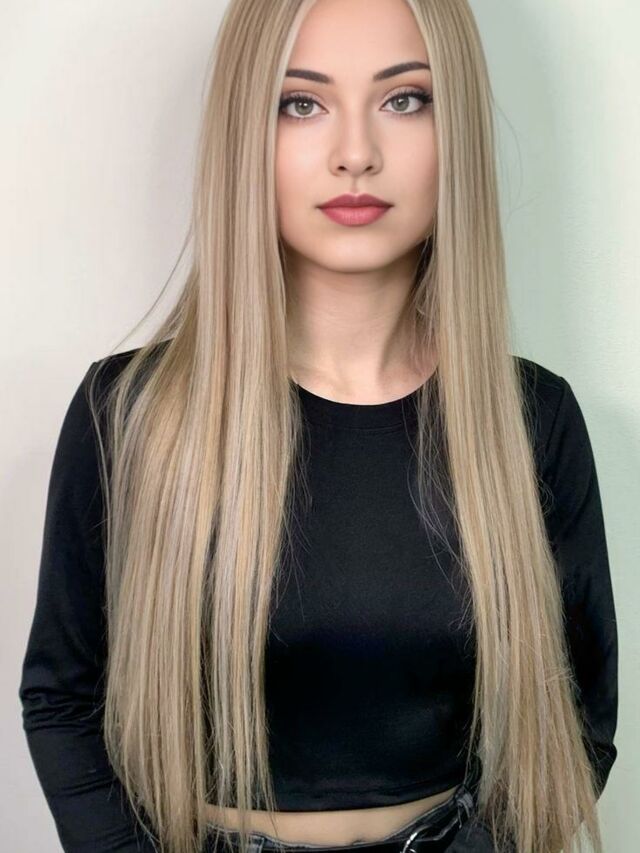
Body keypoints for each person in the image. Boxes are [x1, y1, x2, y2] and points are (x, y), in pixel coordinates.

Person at [18, 0, 618, 851]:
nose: (355, 153)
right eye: (301, 103)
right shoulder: (130, 413)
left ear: (456, 128)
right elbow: (63, 701)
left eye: (404, 99)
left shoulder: (533, 422)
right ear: (245, 133)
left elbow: (578, 717)